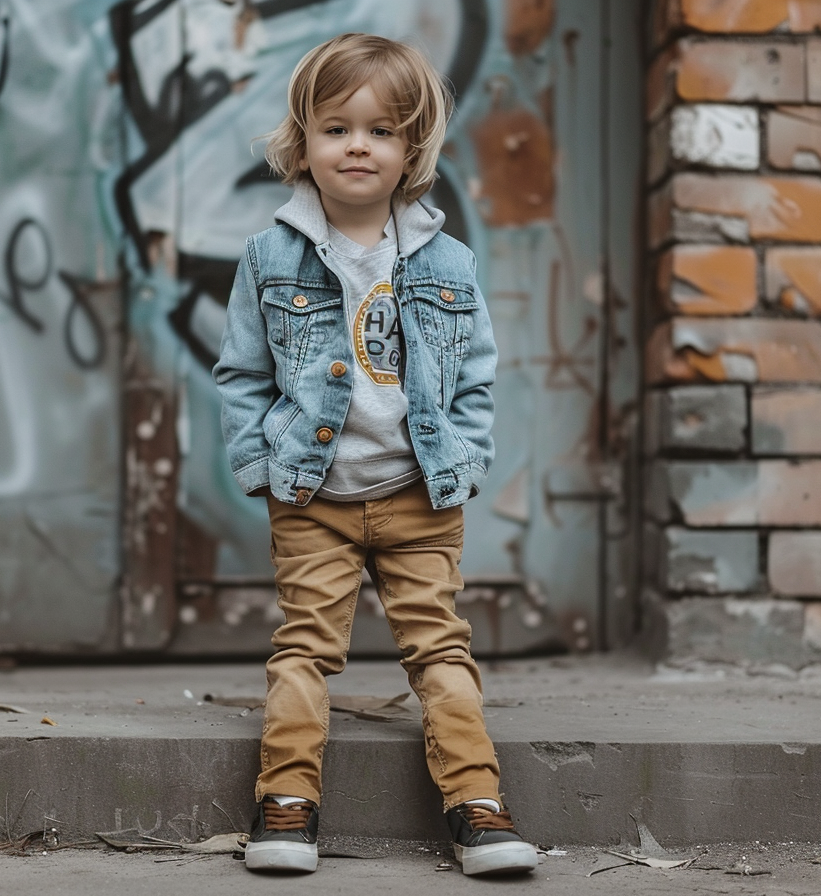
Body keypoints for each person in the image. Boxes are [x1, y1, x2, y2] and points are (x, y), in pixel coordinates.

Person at [213, 32, 538, 877]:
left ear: (410, 149)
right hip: (314, 499)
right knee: (305, 649)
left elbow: (475, 376)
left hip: (418, 498)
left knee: (440, 649)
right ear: (303, 142)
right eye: (336, 127)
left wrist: (461, 463)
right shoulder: (269, 256)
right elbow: (242, 372)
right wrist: (261, 466)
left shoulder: (448, 262)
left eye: (381, 131)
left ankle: (479, 806)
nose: (358, 145)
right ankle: (286, 804)